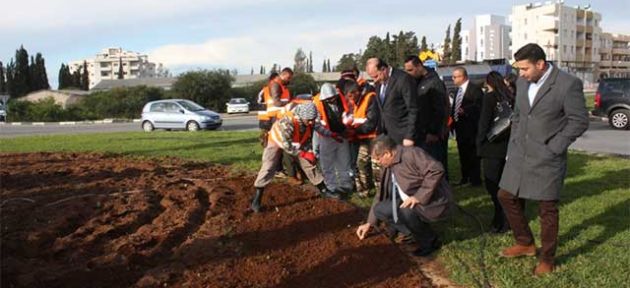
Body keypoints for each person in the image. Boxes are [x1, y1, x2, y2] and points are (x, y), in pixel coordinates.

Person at [498, 43, 589, 275]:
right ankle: (526, 242)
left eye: (525, 69)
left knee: (547, 209)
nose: (521, 74)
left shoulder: (568, 84)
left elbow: (579, 121)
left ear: (540, 64)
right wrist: (512, 146)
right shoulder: (521, 82)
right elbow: (518, 116)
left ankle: (547, 258)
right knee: (505, 195)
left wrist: (555, 146)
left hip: (547, 157)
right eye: (519, 69)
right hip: (519, 154)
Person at [355, 135, 453, 256]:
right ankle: (412, 232)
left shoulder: (412, 154)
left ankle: (430, 241)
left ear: (388, 153)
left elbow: (436, 170)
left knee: (406, 211)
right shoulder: (388, 165)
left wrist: (419, 196)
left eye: (378, 158)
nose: (377, 162)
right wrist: (369, 223)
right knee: (380, 209)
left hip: (433, 201)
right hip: (408, 200)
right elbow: (380, 193)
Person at [251, 102, 339, 213]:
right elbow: (287, 146)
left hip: (295, 142)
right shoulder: (287, 122)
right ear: (302, 117)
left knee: (309, 164)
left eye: (313, 119)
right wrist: (303, 154)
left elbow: (318, 127)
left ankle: (324, 190)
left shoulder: (308, 120)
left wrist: (331, 135)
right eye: (309, 120)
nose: (311, 122)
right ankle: (257, 198)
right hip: (277, 140)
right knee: (268, 167)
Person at [476, 71, 515, 234]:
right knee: (505, 185)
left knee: (493, 185)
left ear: (489, 83)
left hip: (492, 148)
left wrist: (479, 144)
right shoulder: (510, 97)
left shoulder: (489, 98)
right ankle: (509, 219)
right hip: (508, 147)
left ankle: (499, 219)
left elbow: (484, 123)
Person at [403, 55, 449, 176]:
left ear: (419, 66)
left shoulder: (434, 82)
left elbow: (440, 109)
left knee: (435, 164)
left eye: (410, 70)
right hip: (420, 131)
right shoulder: (415, 82)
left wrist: (433, 131)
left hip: (431, 133)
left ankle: (442, 191)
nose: (408, 73)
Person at [365, 58, 418, 147]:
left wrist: (409, 136)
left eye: (376, 76)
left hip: (403, 136)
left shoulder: (403, 79)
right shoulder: (379, 83)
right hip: (386, 136)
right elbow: (382, 110)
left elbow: (413, 109)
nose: (375, 80)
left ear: (383, 69)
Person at [313, 83, 354, 195]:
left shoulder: (340, 97)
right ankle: (331, 186)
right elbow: (316, 125)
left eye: (333, 97)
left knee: (344, 161)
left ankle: (346, 185)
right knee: (327, 164)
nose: (332, 100)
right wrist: (330, 134)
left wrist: (347, 128)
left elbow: (348, 113)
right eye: (329, 99)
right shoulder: (316, 103)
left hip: (342, 135)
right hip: (326, 137)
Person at [344, 79, 379, 197]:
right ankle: (366, 189)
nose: (350, 99)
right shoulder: (356, 102)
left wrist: (355, 130)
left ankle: (380, 190)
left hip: (374, 137)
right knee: (361, 163)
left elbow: (372, 121)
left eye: (350, 96)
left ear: (356, 92)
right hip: (362, 137)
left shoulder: (370, 98)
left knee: (376, 166)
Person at [450, 67, 482, 186]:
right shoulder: (458, 90)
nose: (453, 79)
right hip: (459, 127)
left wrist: (467, 111)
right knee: (463, 153)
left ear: (463, 76)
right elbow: (455, 106)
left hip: (470, 128)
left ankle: (474, 179)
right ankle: (465, 177)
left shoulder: (474, 89)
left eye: (455, 77)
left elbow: (479, 106)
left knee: (472, 155)